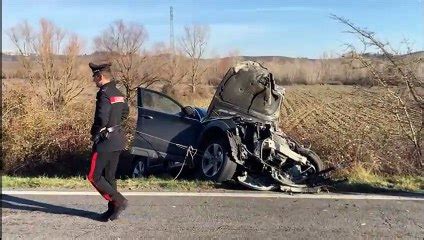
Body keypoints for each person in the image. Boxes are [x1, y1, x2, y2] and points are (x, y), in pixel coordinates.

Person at [87, 62, 130, 221]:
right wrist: (115, 126)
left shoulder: (104, 93)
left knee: (93, 176)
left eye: (94, 77)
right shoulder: (117, 92)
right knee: (109, 176)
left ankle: (118, 200)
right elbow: (126, 112)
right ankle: (113, 209)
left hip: (105, 141)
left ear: (100, 76)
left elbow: (101, 118)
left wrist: (96, 131)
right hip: (118, 139)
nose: (93, 81)